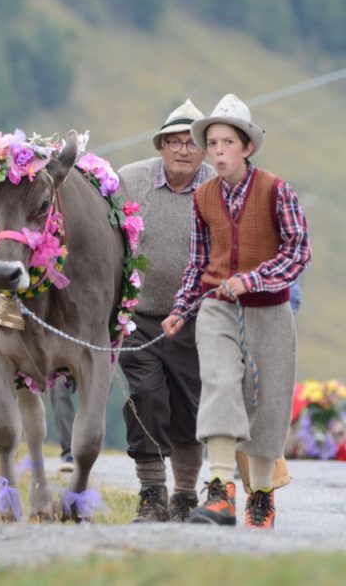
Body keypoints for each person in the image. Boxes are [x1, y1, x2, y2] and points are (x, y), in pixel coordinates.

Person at [162, 94, 311, 529]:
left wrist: (255, 278)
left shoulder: (276, 189)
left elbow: (299, 251)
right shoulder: (203, 196)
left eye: (227, 142)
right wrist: (182, 308)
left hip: (270, 310)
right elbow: (197, 262)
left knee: (269, 403)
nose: (218, 152)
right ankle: (221, 490)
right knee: (220, 382)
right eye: (212, 144)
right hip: (217, 308)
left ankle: (260, 495)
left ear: (247, 147)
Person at [117, 99, 215, 523]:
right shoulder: (129, 181)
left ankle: (185, 495)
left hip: (195, 316)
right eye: (173, 142)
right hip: (137, 315)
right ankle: (152, 492)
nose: (182, 150)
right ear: (160, 146)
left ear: (205, 151)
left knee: (189, 406)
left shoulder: (216, 187)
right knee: (147, 396)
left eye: (191, 143)